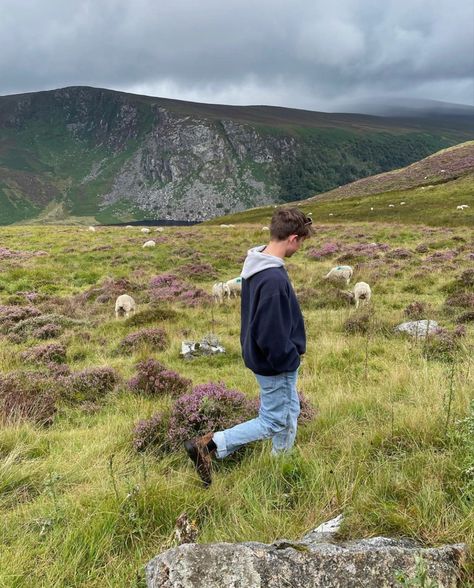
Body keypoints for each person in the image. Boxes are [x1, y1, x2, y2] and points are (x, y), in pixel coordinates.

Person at [184, 207, 314, 486]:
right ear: (292, 238)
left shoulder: (259, 264)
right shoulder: (273, 278)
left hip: (265, 358)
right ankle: (210, 445)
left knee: (290, 411)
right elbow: (271, 332)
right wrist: (288, 358)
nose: (300, 247)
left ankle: (282, 464)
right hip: (275, 363)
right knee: (272, 421)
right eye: (301, 241)